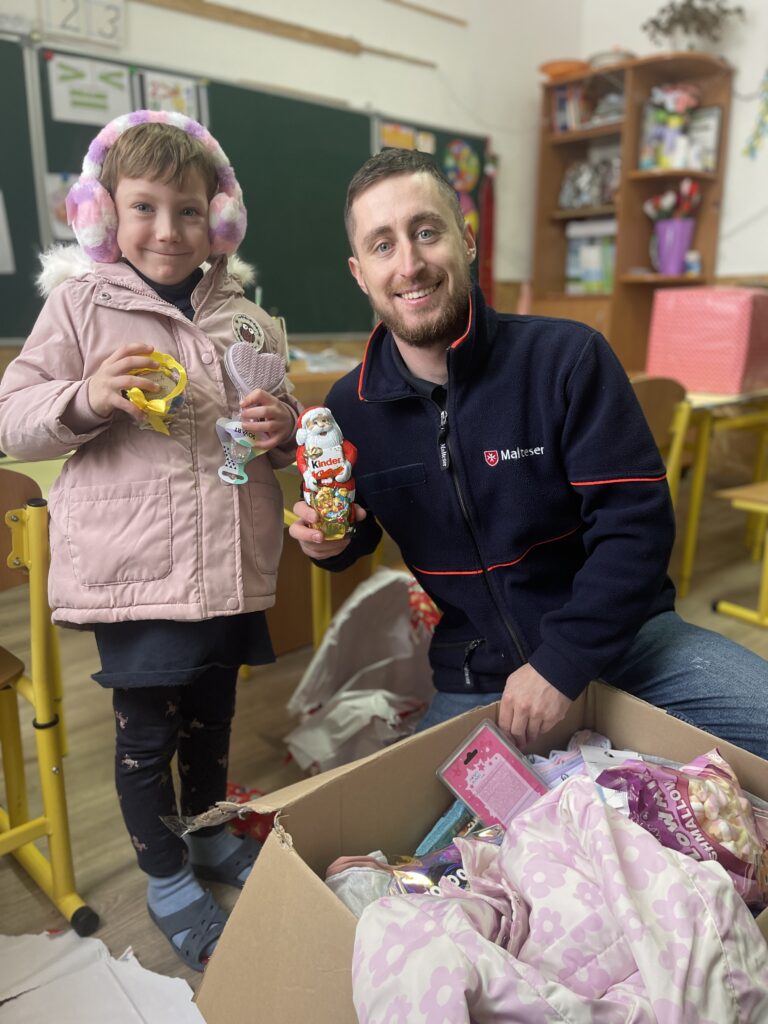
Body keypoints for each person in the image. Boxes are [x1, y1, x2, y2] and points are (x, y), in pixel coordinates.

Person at [289, 147, 768, 761]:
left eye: (426, 232)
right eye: (383, 246)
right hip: (479, 674)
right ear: (360, 273)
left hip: (630, 642)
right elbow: (357, 533)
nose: (409, 264)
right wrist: (333, 544)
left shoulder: (567, 360)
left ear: (465, 241)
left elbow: (636, 528)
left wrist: (561, 663)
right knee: (409, 842)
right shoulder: (347, 408)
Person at [0, 111, 300, 971]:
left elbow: (274, 433)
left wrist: (281, 429)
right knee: (146, 738)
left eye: (189, 212)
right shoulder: (81, 307)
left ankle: (205, 839)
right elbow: (14, 420)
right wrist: (88, 397)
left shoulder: (250, 321)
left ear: (221, 222)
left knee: (214, 724)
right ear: (103, 216)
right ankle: (166, 878)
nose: (168, 231)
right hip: (135, 576)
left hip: (231, 572)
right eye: (144, 209)